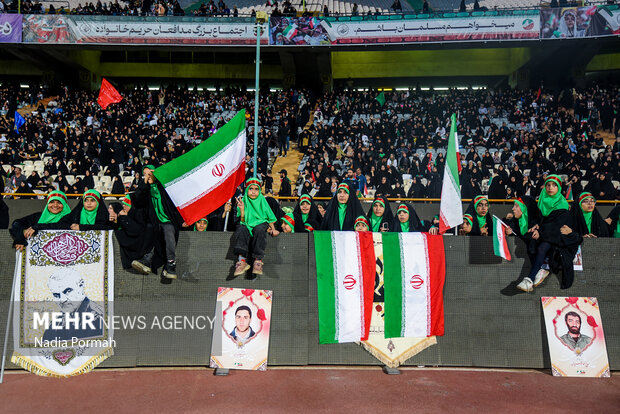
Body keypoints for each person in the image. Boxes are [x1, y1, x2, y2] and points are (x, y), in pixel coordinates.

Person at [517, 175, 582, 292]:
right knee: (530, 239)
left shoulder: (562, 204)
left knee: (542, 247)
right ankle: (539, 271)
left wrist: (540, 232)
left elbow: (556, 225)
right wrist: (536, 225)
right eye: (548, 185)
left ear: (559, 188)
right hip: (546, 234)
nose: (550, 188)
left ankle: (529, 279)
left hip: (558, 237)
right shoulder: (542, 201)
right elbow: (541, 219)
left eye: (554, 185)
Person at [131, 165, 185, 280]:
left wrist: (181, 221)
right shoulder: (146, 189)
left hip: (167, 220)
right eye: (145, 174)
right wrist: (145, 183)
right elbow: (138, 199)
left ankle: (171, 263)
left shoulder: (164, 187)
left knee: (169, 232)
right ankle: (146, 259)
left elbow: (174, 204)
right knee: (149, 229)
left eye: (149, 173)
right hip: (153, 221)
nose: (148, 176)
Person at [233, 178, 279, 277]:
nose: (253, 192)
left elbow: (269, 215)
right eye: (251, 189)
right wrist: (241, 210)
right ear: (247, 190)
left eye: (256, 189)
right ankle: (241, 261)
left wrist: (273, 229)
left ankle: (258, 261)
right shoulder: (243, 200)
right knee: (241, 229)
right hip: (247, 222)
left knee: (259, 229)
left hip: (261, 222)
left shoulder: (262, 200)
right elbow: (242, 220)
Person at [42, 268, 104, 341]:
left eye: (67, 291)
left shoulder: (99, 319)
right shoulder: (55, 324)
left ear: (81, 285)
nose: (62, 300)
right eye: (56, 295)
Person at [109, 196, 157, 270]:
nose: (123, 206)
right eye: (123, 204)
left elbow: (135, 230)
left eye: (126, 204)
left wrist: (125, 218)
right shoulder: (123, 216)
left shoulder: (141, 216)